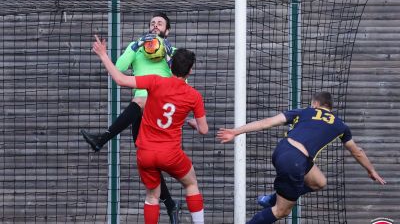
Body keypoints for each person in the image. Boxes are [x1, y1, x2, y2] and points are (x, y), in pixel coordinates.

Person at [217, 91, 386, 224]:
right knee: (281, 211)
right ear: (330, 108)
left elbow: (267, 122)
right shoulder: (340, 125)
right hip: (296, 161)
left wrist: (235, 131)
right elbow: (357, 151)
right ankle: (269, 205)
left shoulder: (305, 111)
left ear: (315, 104)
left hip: (283, 150)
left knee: (319, 182)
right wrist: (371, 171)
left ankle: (271, 198)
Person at [92, 35, 209, 224]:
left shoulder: (155, 82)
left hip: (145, 152)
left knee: (152, 196)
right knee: (191, 184)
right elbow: (204, 130)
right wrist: (195, 124)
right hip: (170, 153)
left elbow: (120, 79)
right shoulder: (194, 96)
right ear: (190, 72)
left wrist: (104, 55)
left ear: (170, 66)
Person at [81, 12, 180, 223]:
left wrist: (169, 55)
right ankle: (171, 204)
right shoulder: (137, 47)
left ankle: (102, 139)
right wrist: (135, 46)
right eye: (152, 23)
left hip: (162, 106)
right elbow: (117, 68)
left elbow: (181, 81)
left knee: (141, 99)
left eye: (159, 24)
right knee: (145, 159)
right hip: (142, 110)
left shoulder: (173, 52)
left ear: (167, 31)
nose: (155, 26)